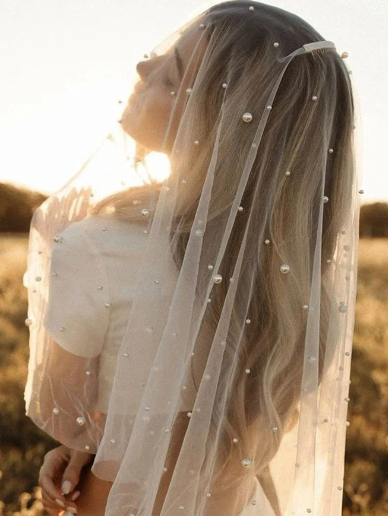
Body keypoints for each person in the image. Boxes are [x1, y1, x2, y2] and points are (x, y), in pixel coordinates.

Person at [24, 1, 363, 516]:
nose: (143, 68)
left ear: (218, 120)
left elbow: (60, 411)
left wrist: (90, 437)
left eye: (172, 75)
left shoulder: (96, 244)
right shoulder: (296, 275)